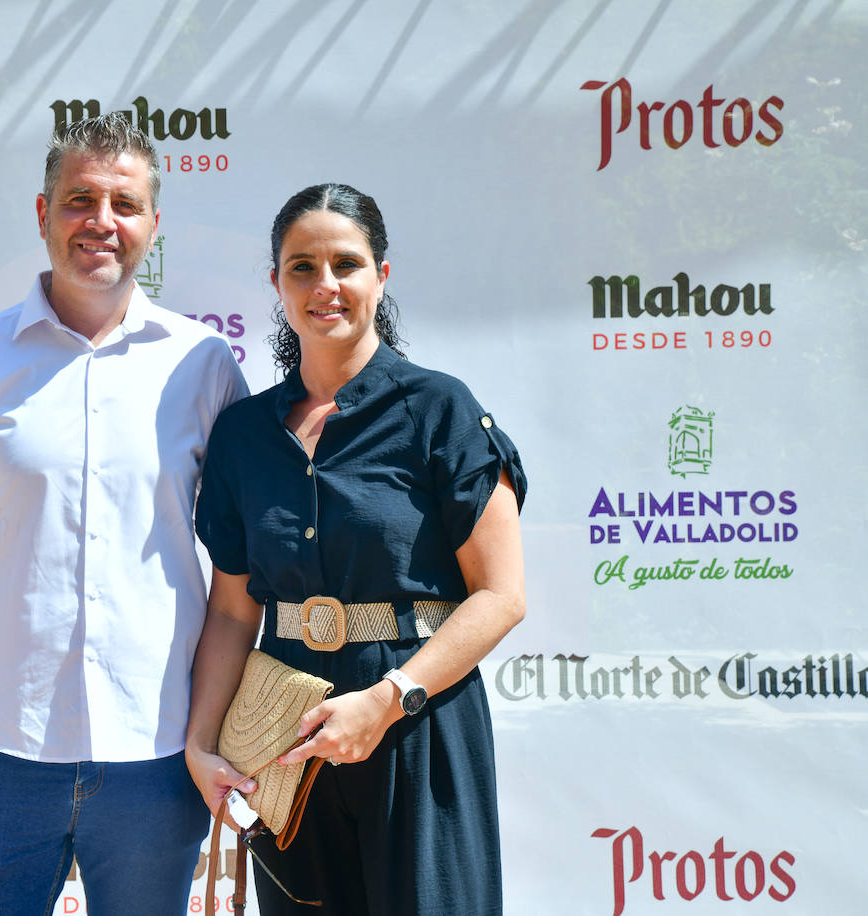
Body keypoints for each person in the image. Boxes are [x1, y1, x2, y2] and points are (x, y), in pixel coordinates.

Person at [0, 113, 248, 915]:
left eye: (124, 203)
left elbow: (242, 569)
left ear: (154, 223)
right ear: (43, 213)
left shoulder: (205, 367)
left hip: (157, 759)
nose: (102, 222)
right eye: (80, 199)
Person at [185, 183, 526, 915]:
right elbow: (232, 614)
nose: (325, 285)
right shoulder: (244, 435)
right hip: (283, 740)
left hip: (417, 722)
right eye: (301, 266)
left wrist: (388, 699)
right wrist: (202, 741)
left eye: (347, 263)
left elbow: (501, 596)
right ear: (276, 283)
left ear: (382, 276)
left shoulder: (441, 410)